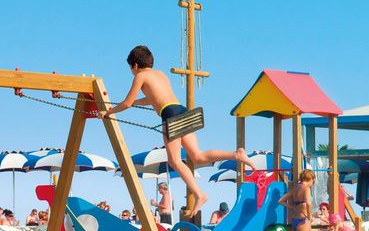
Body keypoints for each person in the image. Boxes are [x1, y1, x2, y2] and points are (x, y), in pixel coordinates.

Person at [99, 45, 255, 216]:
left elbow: (126, 103)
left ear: (135, 65)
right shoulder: (160, 74)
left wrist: (108, 112)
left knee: (174, 161)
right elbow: (152, 98)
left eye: (131, 68)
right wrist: (137, 102)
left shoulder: (140, 76)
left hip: (170, 115)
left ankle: (199, 193)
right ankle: (236, 155)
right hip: (183, 111)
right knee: (197, 156)